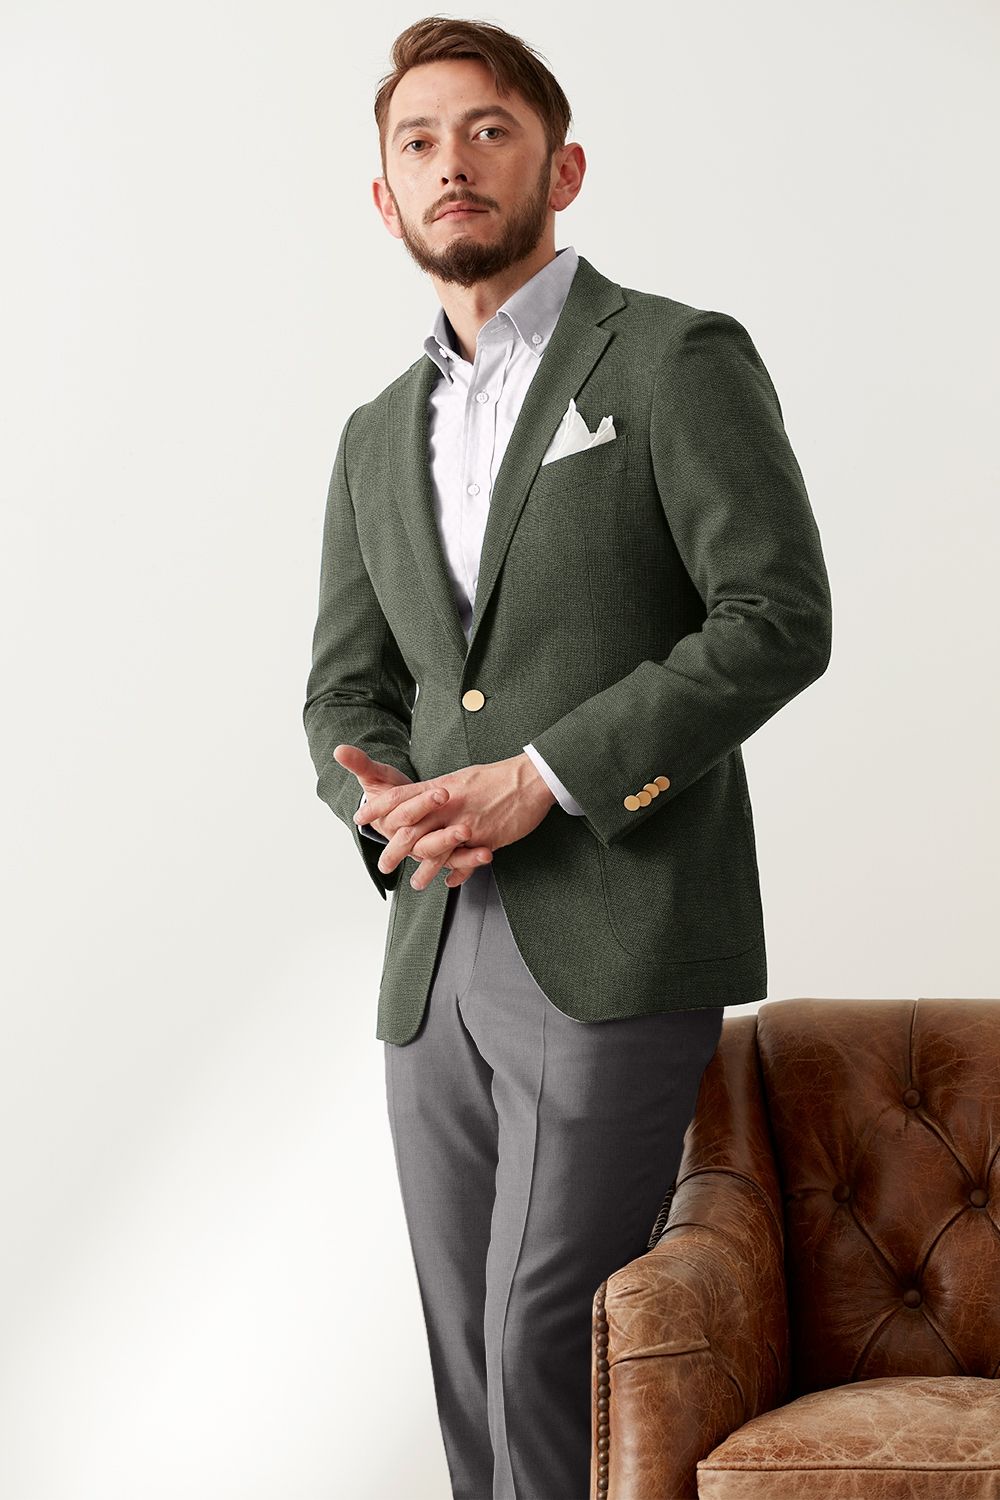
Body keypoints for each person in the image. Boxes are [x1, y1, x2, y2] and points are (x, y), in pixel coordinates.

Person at [302, 16, 832, 1499]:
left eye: (489, 130)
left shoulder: (671, 357)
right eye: (418, 142)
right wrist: (390, 805)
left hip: (617, 914)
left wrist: (540, 777)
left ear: (563, 166)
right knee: (466, 1355)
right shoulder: (370, 436)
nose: (452, 164)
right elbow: (344, 686)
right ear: (384, 197)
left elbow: (776, 618)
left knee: (549, 1335)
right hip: (433, 938)